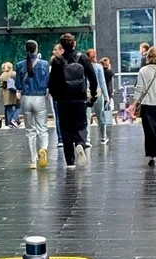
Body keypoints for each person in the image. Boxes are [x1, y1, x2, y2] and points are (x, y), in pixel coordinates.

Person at [49, 33, 98, 169]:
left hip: (64, 100)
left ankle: (70, 162)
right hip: (80, 98)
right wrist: (92, 95)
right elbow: (93, 78)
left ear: (61, 46)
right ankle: (80, 145)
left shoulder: (57, 61)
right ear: (74, 43)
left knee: (66, 129)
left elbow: (52, 84)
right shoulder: (82, 58)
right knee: (82, 126)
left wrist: (57, 97)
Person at [15, 40, 50, 170]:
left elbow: (18, 85)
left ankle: (32, 160)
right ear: (36, 49)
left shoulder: (19, 65)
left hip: (26, 98)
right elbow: (47, 82)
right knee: (42, 128)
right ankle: (44, 149)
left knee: (30, 131)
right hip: (39, 98)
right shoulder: (44, 64)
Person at [85, 49, 110, 145]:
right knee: (101, 115)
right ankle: (103, 137)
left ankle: (87, 139)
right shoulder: (99, 67)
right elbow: (102, 83)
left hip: (87, 93)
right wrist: (106, 96)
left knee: (87, 117)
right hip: (98, 92)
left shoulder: (84, 67)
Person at [0, 62, 21, 128]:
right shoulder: (14, 73)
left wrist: (1, 94)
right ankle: (13, 119)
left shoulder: (2, 75)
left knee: (8, 108)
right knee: (18, 106)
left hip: (5, 93)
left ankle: (9, 123)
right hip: (14, 93)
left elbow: (1, 86)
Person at [50, 43, 64, 147]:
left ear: (61, 50)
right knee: (60, 116)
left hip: (58, 94)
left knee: (59, 116)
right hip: (60, 94)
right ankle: (62, 138)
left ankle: (61, 139)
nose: (53, 51)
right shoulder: (53, 65)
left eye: (55, 50)